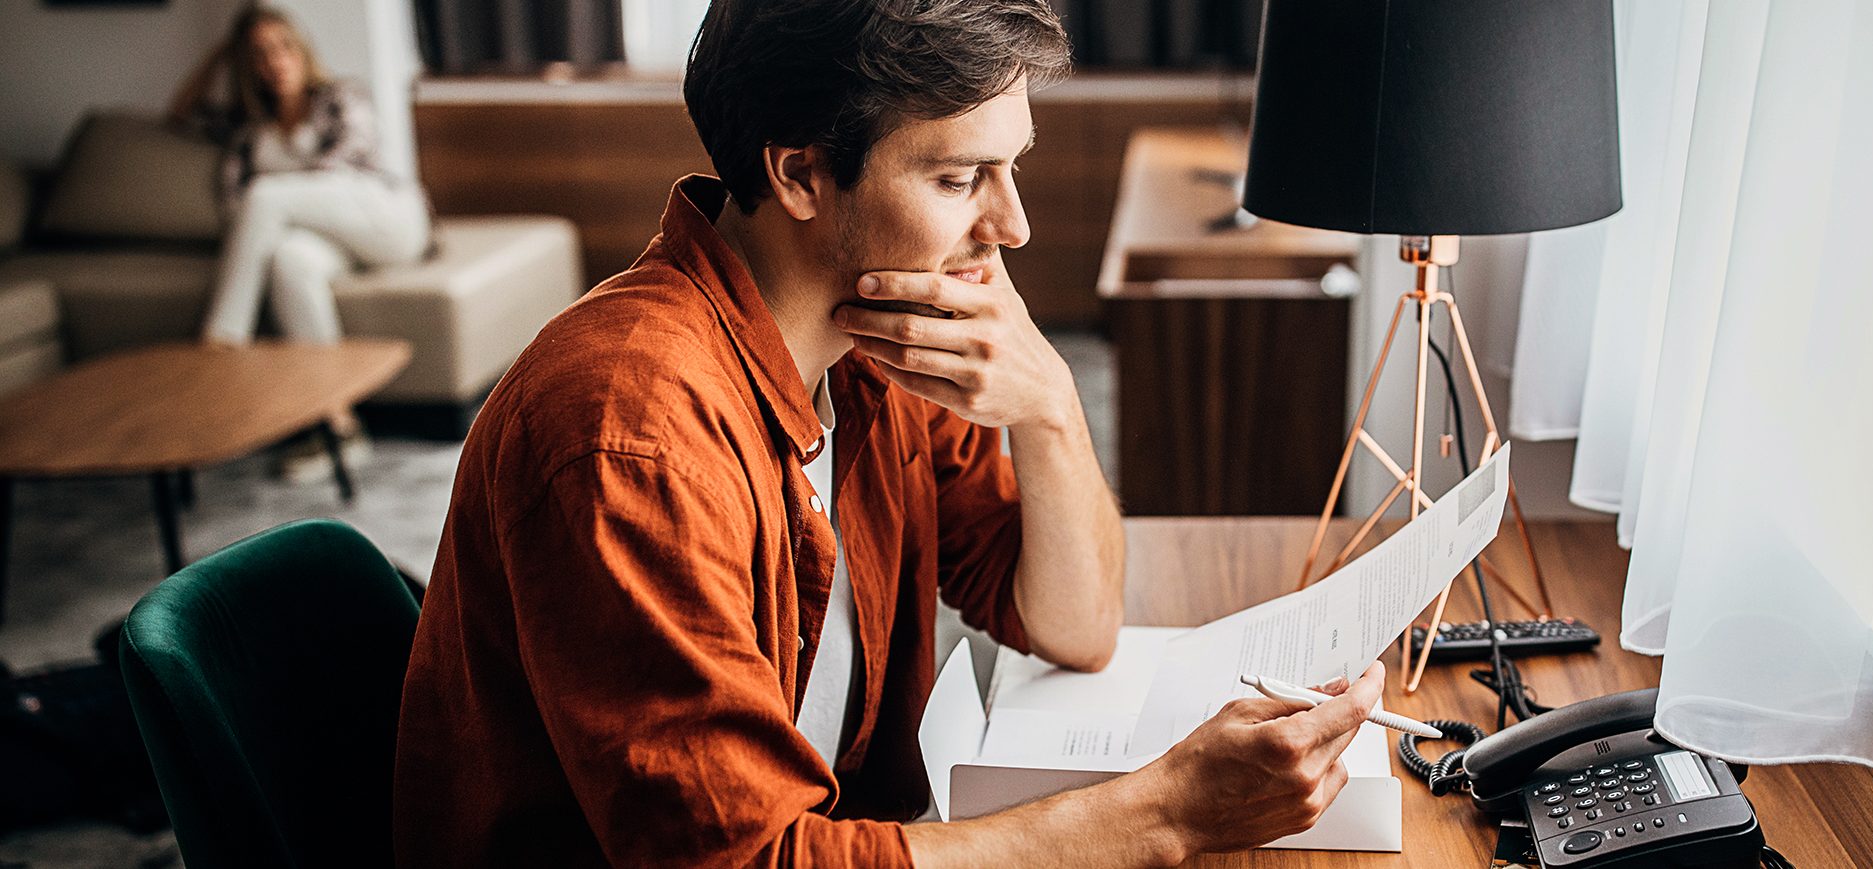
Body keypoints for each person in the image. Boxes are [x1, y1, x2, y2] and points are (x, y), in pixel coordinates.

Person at [392, 0, 1385, 866]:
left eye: (1012, 168)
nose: (1014, 224)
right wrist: (1165, 809)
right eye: (962, 179)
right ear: (799, 174)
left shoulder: (880, 343)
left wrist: (1048, 405)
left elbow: (1070, 627)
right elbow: (742, 861)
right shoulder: (629, 428)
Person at [166, 7, 430, 476]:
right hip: (323, 242)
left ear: (302, 50)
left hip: (385, 221)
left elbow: (345, 167)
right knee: (289, 262)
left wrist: (274, 203)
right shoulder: (248, 133)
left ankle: (221, 343)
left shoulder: (339, 97)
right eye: (259, 54)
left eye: (283, 46)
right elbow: (180, 115)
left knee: (265, 196)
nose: (275, 61)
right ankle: (337, 424)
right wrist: (220, 54)